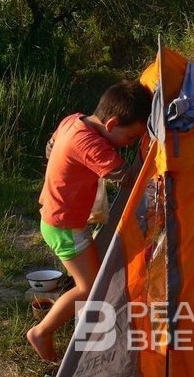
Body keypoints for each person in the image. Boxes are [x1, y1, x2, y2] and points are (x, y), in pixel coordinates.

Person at [27, 79, 153, 362]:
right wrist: (150, 156)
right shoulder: (91, 145)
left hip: (60, 218)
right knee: (90, 288)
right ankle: (41, 332)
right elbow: (127, 179)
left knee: (89, 279)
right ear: (112, 124)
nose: (131, 143)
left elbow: (50, 147)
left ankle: (81, 327)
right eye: (132, 137)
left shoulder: (74, 121)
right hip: (65, 226)